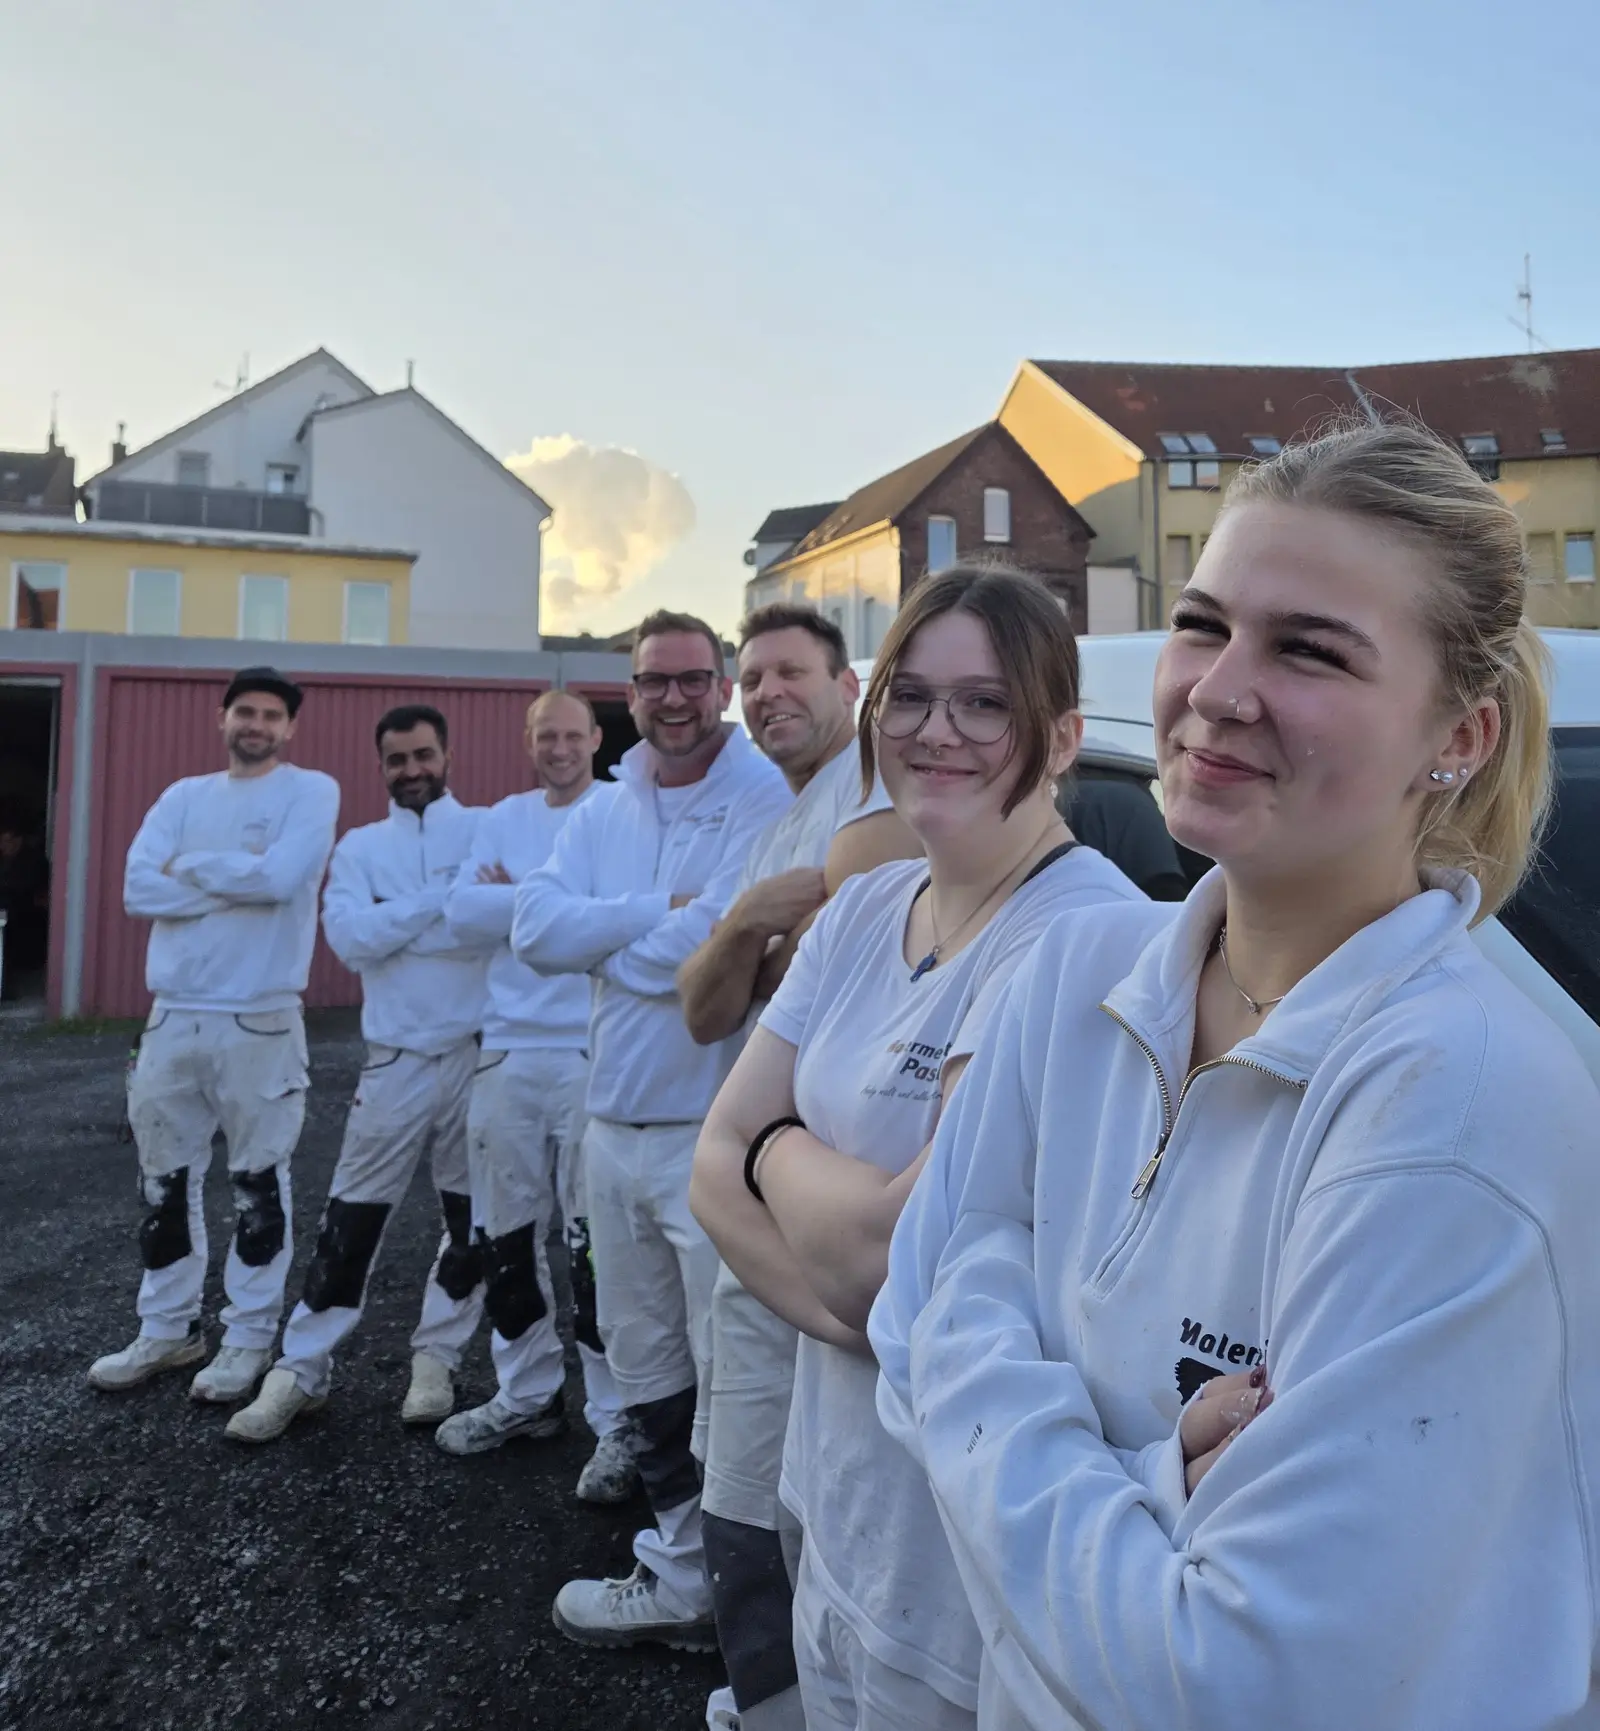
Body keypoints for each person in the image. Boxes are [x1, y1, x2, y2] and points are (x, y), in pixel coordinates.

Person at [872, 422, 1600, 1731]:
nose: (1214, 688)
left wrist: (969, 1323)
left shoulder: (1460, 1099)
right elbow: (888, 1335)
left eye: (1310, 649)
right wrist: (1157, 1488)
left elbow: (1235, 1681)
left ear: (1461, 733)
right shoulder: (1075, 971)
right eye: (1204, 624)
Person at [691, 566, 1145, 1730]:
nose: (936, 732)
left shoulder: (1081, 932)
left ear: (1062, 739)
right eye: (910, 696)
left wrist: (776, 1147)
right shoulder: (860, 909)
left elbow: (889, 1257)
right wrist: (866, 1302)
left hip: (959, 1575)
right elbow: (709, 1166)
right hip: (835, 1503)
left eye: (986, 704)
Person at [513, 609, 791, 1654]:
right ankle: (680, 1562)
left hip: (708, 1134)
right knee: (645, 1366)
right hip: (609, 1125)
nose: (672, 700)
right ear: (626, 694)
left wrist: (621, 934)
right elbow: (536, 930)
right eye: (651, 683)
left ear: (720, 687)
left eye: (691, 680)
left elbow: (712, 957)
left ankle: (749, 1599)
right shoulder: (606, 803)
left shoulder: (762, 796)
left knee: (733, 1377)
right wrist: (658, 916)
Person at [678, 604, 920, 1731]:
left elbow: (808, 971)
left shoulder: (877, 799)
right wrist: (744, 925)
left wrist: (763, 942)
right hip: (753, 1205)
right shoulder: (776, 833)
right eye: (752, 677)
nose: (766, 692)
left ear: (847, 684)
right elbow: (706, 1007)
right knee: (740, 1500)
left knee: (794, 1518)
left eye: (791, 672)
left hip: (820, 1218)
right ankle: (762, 1704)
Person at [227, 705, 491, 1443]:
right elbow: (349, 939)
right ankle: (300, 1369)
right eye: (397, 759)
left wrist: (403, 919)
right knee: (351, 1218)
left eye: (423, 754)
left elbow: (490, 927)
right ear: (382, 767)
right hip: (396, 1059)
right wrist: (442, 903)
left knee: (472, 1224)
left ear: (446, 754)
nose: (411, 769)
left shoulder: (483, 832)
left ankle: (436, 1358)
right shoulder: (361, 845)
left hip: (476, 1056)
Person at [90, 666, 339, 1401]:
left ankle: (248, 1337)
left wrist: (191, 870)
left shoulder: (310, 790)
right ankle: (166, 1329)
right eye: (244, 712)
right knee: (163, 1181)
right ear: (221, 718)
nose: (256, 724)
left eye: (270, 714)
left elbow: (282, 879)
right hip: (171, 1014)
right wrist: (238, 876)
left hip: (260, 1014)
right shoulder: (182, 796)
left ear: (288, 727)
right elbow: (138, 887)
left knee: (259, 1182)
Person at [432, 689, 637, 1504]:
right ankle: (525, 1396)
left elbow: (624, 919)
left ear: (595, 738)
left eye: (570, 734)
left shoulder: (621, 812)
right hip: (508, 1053)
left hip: (593, 1054)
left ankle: (616, 1420)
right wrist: (557, 908)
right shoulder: (502, 817)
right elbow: (458, 913)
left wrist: (520, 898)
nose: (557, 747)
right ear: (528, 742)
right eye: (543, 735)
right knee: (504, 1239)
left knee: (597, 1250)